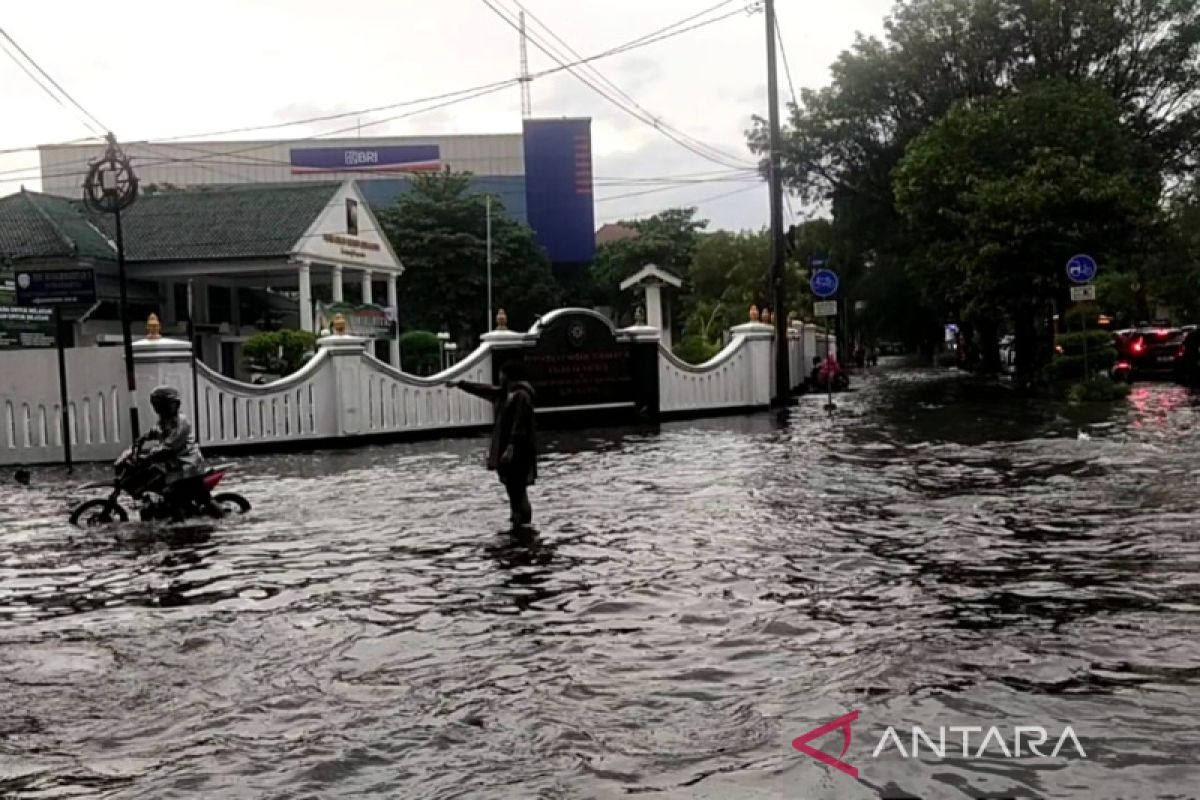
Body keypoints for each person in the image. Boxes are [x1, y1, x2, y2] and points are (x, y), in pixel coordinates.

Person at [449, 362, 537, 527]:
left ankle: (523, 522)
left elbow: (520, 423)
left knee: (518, 490)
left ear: (508, 376)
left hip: (518, 450)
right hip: (511, 449)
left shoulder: (521, 395)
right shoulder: (507, 393)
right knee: (513, 489)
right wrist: (461, 384)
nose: (499, 378)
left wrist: (511, 447)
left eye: (501, 374)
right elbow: (485, 389)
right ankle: (517, 519)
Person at [140, 385, 223, 518]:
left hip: (188, 467)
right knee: (171, 495)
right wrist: (144, 438)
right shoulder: (165, 419)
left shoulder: (181, 422)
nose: (158, 409)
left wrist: (150, 455)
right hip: (177, 468)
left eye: (162, 405)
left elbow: (170, 446)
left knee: (191, 498)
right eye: (157, 405)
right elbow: (158, 431)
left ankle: (222, 520)